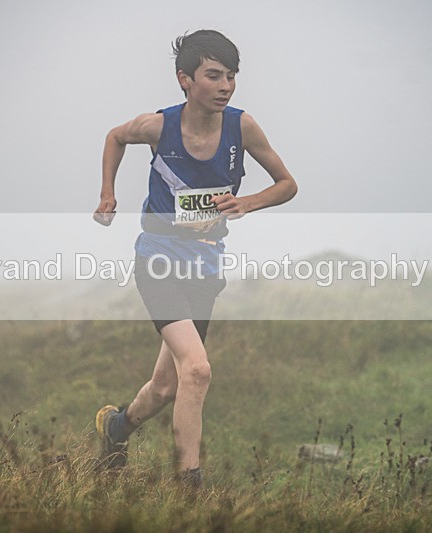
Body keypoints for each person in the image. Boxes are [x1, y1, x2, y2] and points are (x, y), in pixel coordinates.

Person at [92, 29, 297, 488]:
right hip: (158, 259)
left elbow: (287, 184)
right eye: (214, 76)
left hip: (204, 265)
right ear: (185, 79)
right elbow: (114, 137)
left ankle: (116, 428)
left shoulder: (242, 128)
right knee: (198, 369)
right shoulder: (158, 127)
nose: (226, 86)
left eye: (231, 76)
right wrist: (107, 194)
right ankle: (189, 487)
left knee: (167, 387)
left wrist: (248, 202)